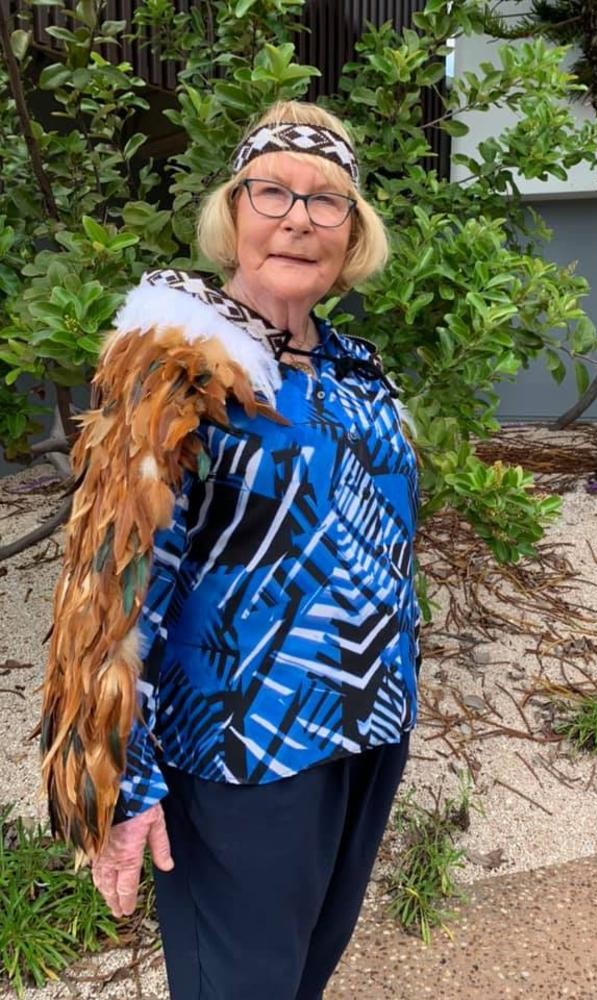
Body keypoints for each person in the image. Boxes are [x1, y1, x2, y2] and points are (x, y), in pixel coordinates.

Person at [40, 99, 420, 1000]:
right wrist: (120, 784)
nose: (298, 216)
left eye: (327, 200)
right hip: (240, 756)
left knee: (303, 975)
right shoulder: (174, 363)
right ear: (233, 213)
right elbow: (110, 586)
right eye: (272, 191)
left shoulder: (356, 372)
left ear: (353, 232)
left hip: (364, 732)